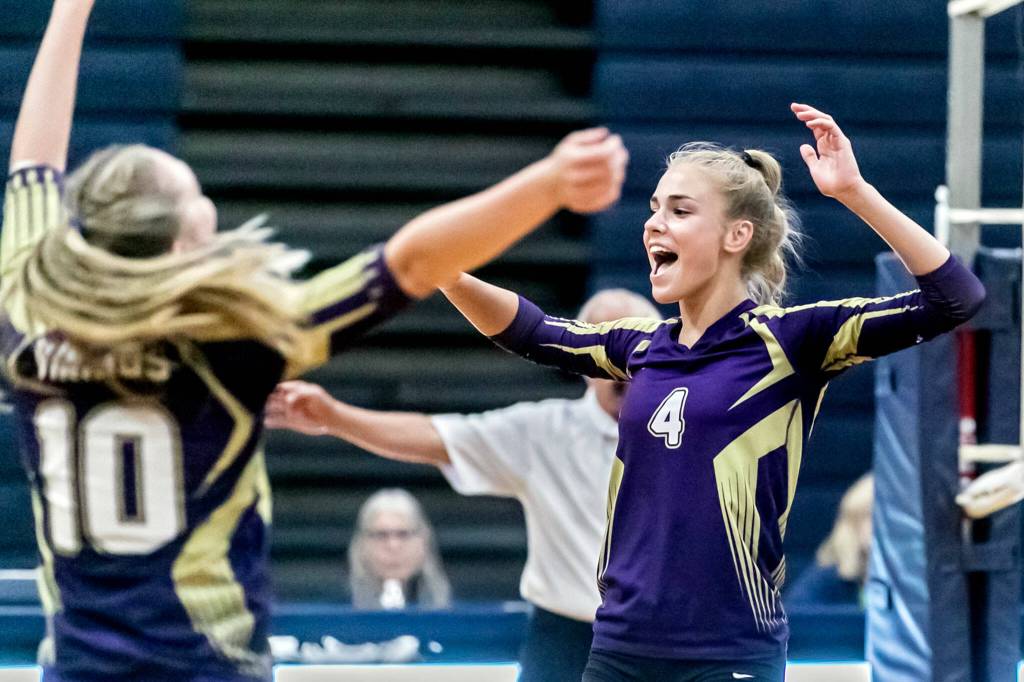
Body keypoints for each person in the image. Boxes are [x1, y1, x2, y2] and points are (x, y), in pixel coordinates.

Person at [0, 3, 628, 681]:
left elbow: (33, 164)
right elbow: (410, 264)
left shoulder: (28, 314)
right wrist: (549, 183)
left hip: (76, 668)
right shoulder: (234, 341)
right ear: (187, 239)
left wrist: (67, 9)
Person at [435, 104, 986, 681]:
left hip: (730, 656)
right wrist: (444, 271)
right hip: (620, 650)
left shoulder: (793, 341)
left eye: (680, 210)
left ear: (736, 234)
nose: (654, 224)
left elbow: (956, 296)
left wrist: (854, 193)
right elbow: (535, 332)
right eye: (653, 210)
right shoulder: (639, 346)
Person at [265, 288, 660, 682]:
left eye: (632, 341)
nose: (620, 358)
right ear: (577, 354)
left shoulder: (699, 427)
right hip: (564, 639)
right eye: (604, 340)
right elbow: (436, 436)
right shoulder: (543, 433)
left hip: (664, 637)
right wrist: (335, 417)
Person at [348, 488, 451, 610]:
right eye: (381, 535)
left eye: (403, 534)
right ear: (362, 544)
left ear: (423, 542)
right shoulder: (331, 608)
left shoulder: (454, 607)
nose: (393, 546)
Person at [785, 473, 873, 607]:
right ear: (853, 524)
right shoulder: (824, 581)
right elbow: (794, 621)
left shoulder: (910, 582)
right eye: (872, 515)